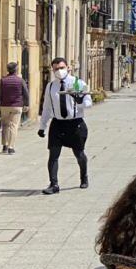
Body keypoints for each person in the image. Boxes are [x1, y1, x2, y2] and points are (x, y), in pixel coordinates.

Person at [38, 58, 92, 194]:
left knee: (79, 154)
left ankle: (84, 176)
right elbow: (46, 108)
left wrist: (78, 100)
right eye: (56, 69)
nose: (59, 71)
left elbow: (88, 103)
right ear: (53, 70)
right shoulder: (51, 86)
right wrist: (42, 126)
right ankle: (53, 184)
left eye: (61, 67)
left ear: (68, 67)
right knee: (53, 155)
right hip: (58, 124)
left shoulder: (77, 83)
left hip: (75, 123)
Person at [0, 62, 28, 155]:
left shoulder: (2, 80)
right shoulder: (21, 81)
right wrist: (26, 104)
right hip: (17, 106)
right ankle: (11, 147)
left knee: (5, 125)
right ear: (16, 70)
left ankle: (4, 145)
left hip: (4, 106)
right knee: (14, 126)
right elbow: (26, 93)